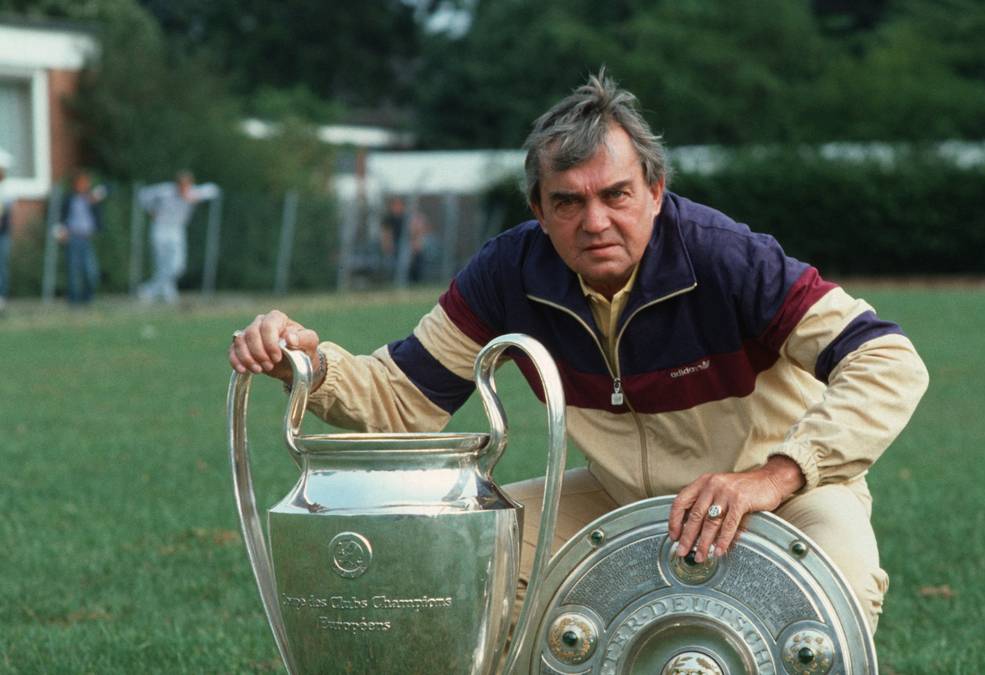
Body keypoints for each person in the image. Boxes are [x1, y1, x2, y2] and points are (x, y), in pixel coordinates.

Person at [228, 72, 928, 632]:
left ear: (656, 191)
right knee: (459, 556)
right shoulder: (511, 271)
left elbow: (887, 358)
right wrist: (306, 364)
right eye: (567, 202)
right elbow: (402, 397)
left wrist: (774, 476)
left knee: (834, 589)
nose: (595, 221)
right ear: (538, 207)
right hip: (619, 496)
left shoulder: (725, 258)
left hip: (783, 492)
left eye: (616, 194)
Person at [136, 170, 220, 304]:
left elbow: (214, 190)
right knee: (162, 264)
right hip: (160, 228)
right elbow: (143, 194)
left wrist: (195, 197)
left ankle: (148, 290)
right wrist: (150, 210)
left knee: (177, 266)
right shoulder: (165, 191)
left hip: (177, 230)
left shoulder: (193, 193)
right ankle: (169, 295)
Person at [59, 170, 107, 305]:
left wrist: (97, 196)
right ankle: (73, 301)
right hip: (73, 236)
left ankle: (87, 298)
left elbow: (109, 188)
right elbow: (61, 218)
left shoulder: (92, 197)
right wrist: (61, 232)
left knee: (91, 271)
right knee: (73, 270)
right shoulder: (69, 199)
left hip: (87, 238)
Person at [0, 149, 13, 313]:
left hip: (3, 233)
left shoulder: (8, 190)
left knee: (2, 265)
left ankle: (2, 298)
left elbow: (8, 215)